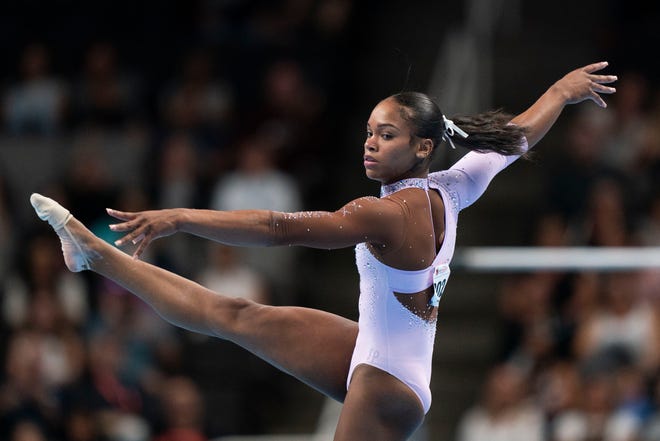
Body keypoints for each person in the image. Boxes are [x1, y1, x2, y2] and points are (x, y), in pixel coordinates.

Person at [30, 61, 616, 441]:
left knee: (234, 316)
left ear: (421, 147)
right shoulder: (454, 187)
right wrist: (562, 92)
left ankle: (99, 256)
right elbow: (516, 137)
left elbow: (278, 227)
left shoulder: (382, 214)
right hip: (378, 356)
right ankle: (95, 255)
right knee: (235, 315)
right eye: (368, 131)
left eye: (386, 135)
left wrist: (182, 216)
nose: (369, 144)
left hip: (388, 386)